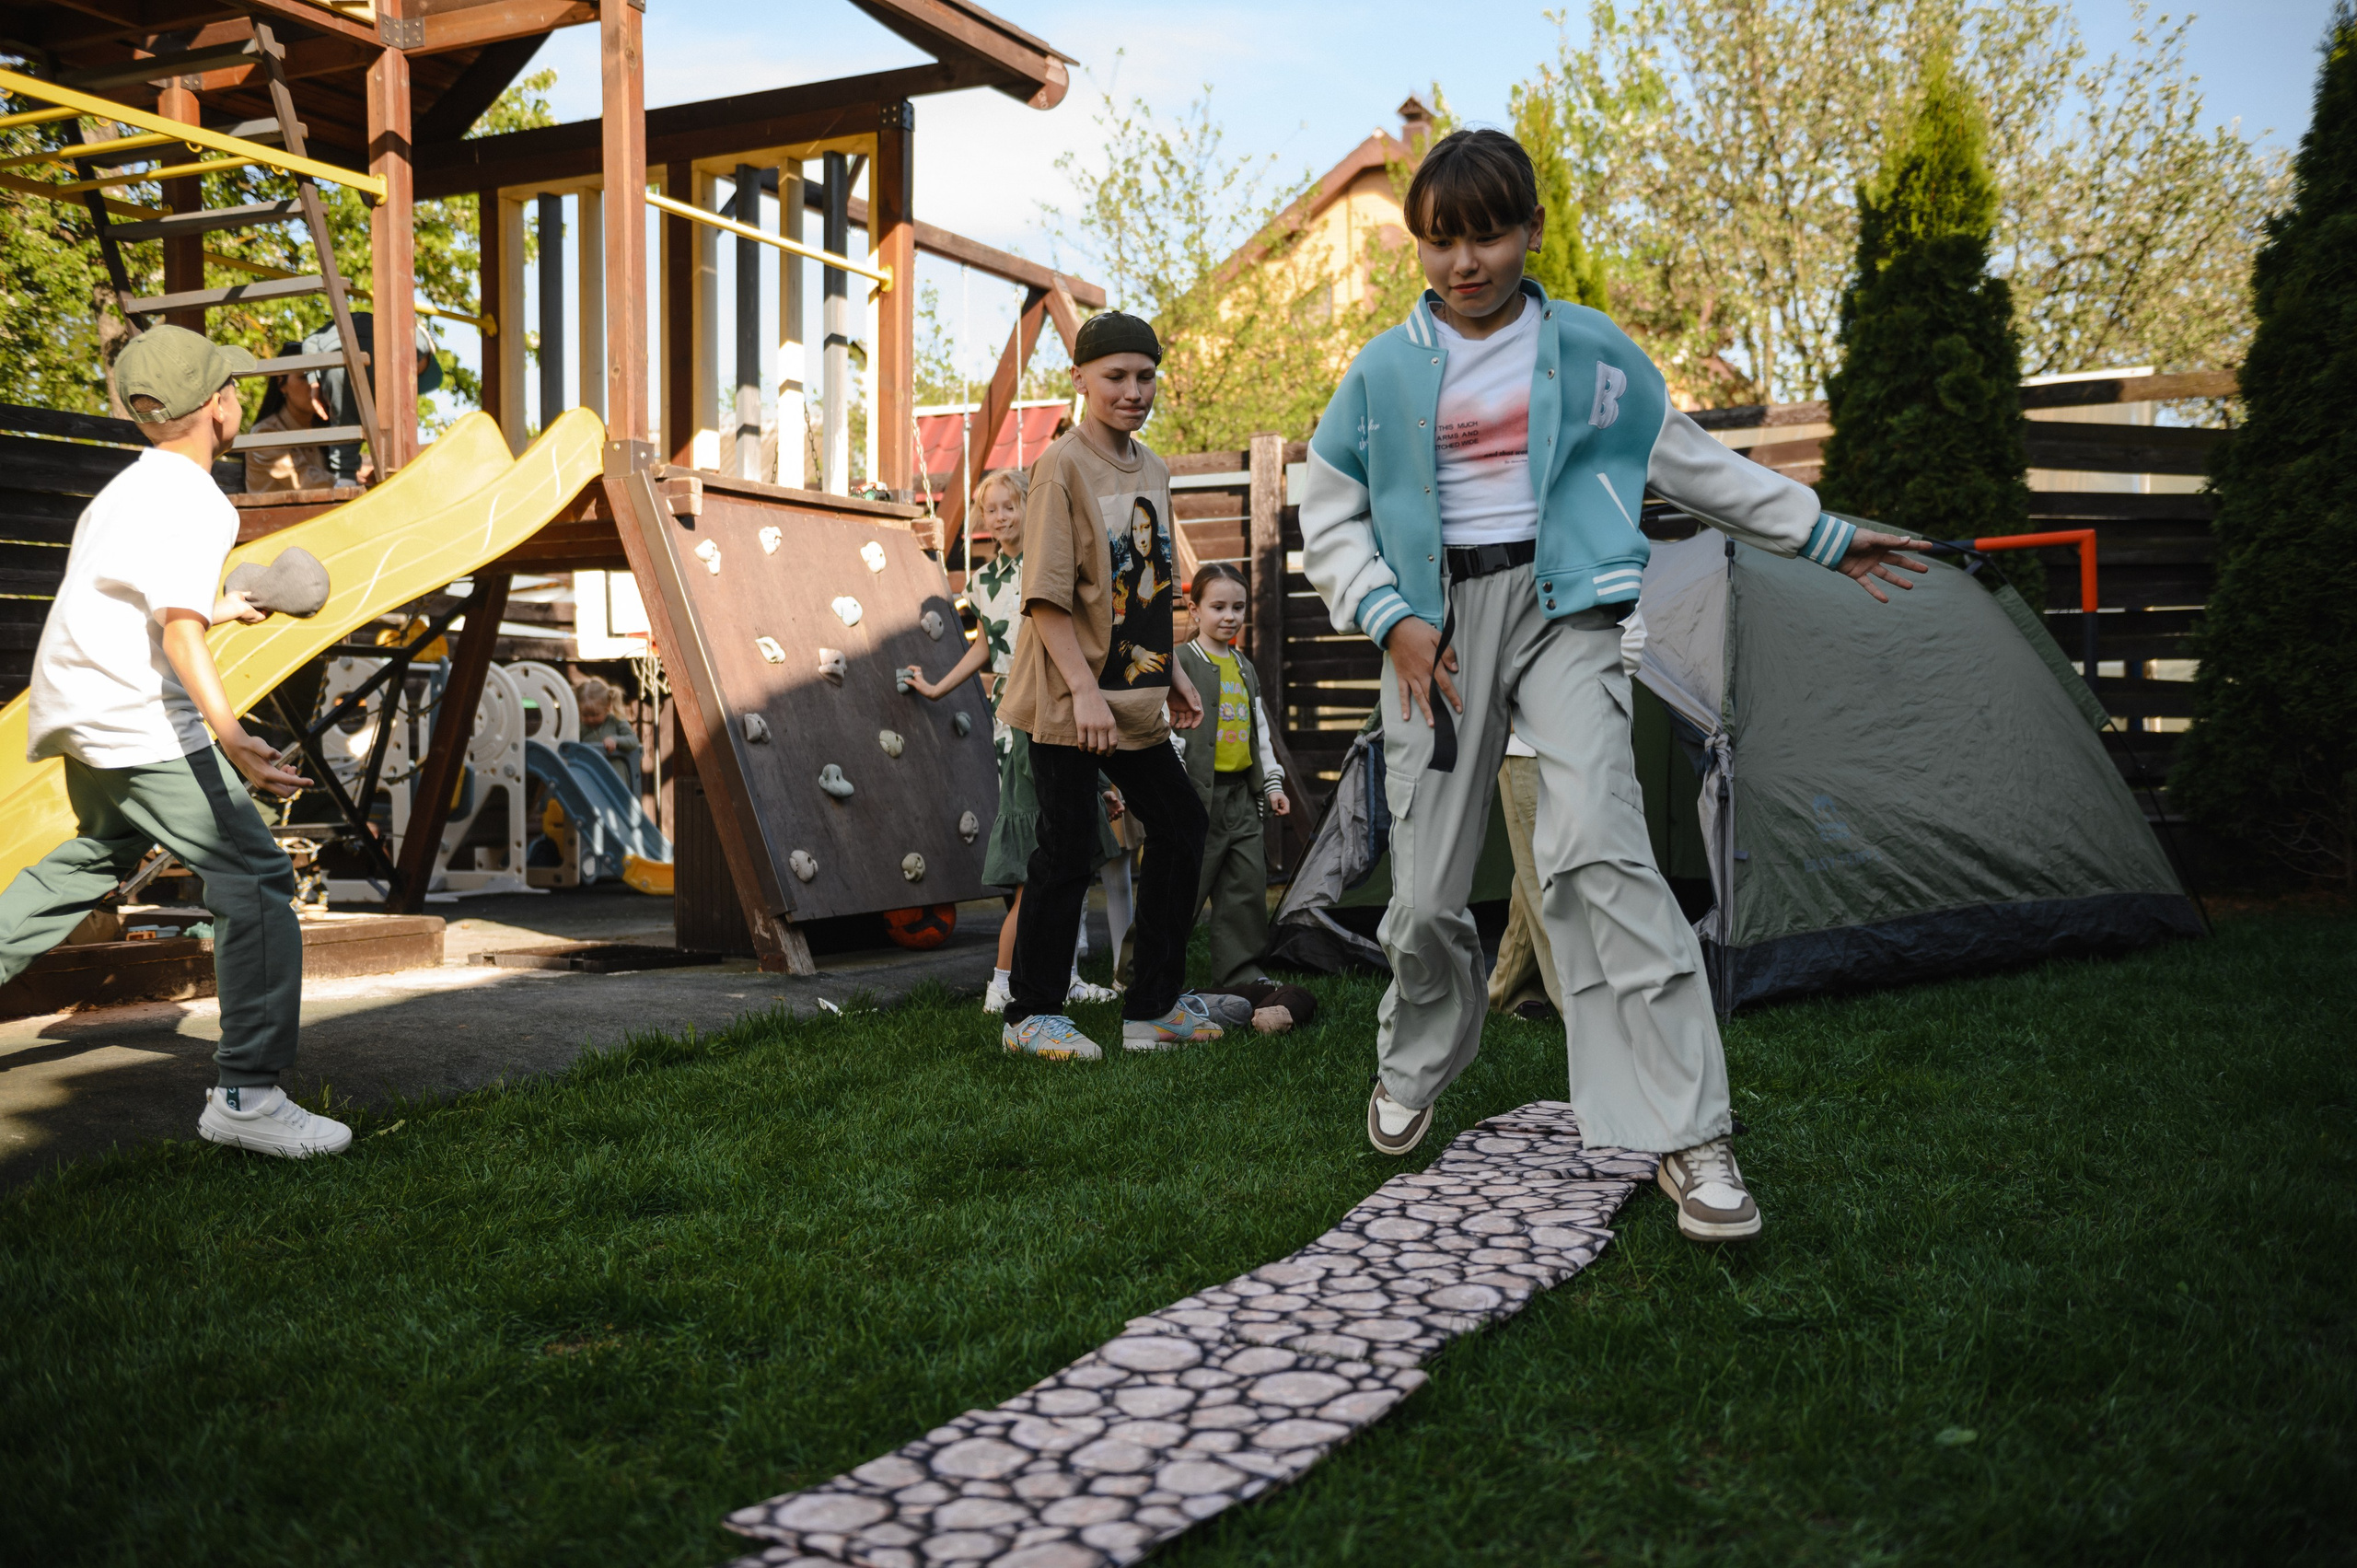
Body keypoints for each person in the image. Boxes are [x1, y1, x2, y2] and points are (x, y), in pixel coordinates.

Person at [1299, 129, 1934, 1239]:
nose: (1464, 263)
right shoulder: (1381, 371)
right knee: (1423, 897)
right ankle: (1417, 1055)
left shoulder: (1590, 352)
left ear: (1531, 232)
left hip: (1566, 616)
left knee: (1603, 854)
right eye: (1440, 241)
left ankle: (1690, 1133)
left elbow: (1693, 464)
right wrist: (1389, 618)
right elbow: (1328, 514)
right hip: (1431, 635)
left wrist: (1827, 536)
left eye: (1487, 235)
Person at [0, 325, 343, 1157]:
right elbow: (178, 632)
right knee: (257, 875)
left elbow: (144, 603)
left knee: (95, 856)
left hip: (78, 713)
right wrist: (233, 737)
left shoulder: (125, 489)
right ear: (222, 407)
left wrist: (221, 608)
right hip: (137, 719)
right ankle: (247, 1095)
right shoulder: (198, 498)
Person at [993, 310, 1246, 1061]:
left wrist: (1165, 678)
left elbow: (1143, 586)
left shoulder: (1154, 468)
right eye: (1116, 377)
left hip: (1129, 693)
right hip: (1068, 697)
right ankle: (1030, 1015)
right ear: (1079, 380)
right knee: (1067, 848)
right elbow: (1044, 597)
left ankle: (1152, 1008)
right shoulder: (1059, 467)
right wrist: (1086, 694)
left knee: (1180, 827)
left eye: (1145, 376)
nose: (1134, 390)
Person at [901, 468, 1123, 1012]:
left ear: (1030, 507)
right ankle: (1025, 978)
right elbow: (987, 646)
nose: (999, 517)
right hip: (1018, 718)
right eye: (990, 509)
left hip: (1061, 700)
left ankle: (1058, 974)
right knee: (1045, 844)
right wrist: (939, 688)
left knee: (1063, 843)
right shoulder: (983, 581)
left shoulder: (1049, 564)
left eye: (1009, 506)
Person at [1172, 563, 1291, 992]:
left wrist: (1272, 783)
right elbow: (1166, 729)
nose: (1229, 616)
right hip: (1196, 799)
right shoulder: (1180, 662)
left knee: (1245, 886)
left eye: (1238, 607)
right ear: (1195, 609)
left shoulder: (1244, 666)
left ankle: (1241, 974)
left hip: (1241, 797)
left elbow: (1259, 731)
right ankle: (1143, 971)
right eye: (1218, 606)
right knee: (1180, 889)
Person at [299, 312, 444, 485]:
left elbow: (309, 342)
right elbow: (418, 342)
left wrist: (313, 382)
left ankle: (346, 478)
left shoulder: (348, 323)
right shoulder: (413, 334)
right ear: (426, 353)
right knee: (391, 421)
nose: (414, 376)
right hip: (370, 357)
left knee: (346, 420)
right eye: (421, 368)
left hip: (330, 360)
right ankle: (388, 471)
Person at [240, 342, 334, 494]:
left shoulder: (320, 429)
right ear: (281, 383)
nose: (315, 385)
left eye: (319, 377)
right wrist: (353, 477)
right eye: (304, 377)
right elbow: (303, 481)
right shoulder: (265, 434)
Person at [574, 677, 641, 795]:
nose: (590, 719)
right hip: (592, 781)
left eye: (595, 714)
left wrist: (615, 740)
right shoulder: (581, 728)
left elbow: (633, 741)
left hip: (615, 783)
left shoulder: (616, 721)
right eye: (585, 714)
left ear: (608, 706)